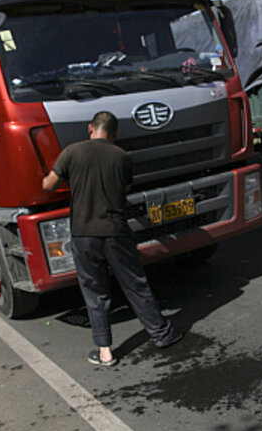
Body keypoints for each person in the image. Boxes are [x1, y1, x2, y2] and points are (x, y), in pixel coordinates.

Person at [42, 111, 183, 366]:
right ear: (114, 134)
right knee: (135, 284)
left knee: (94, 291)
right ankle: (163, 335)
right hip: (116, 231)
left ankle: (104, 351)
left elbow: (48, 186)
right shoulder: (123, 157)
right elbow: (125, 188)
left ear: (90, 128)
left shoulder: (72, 152)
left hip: (83, 233)